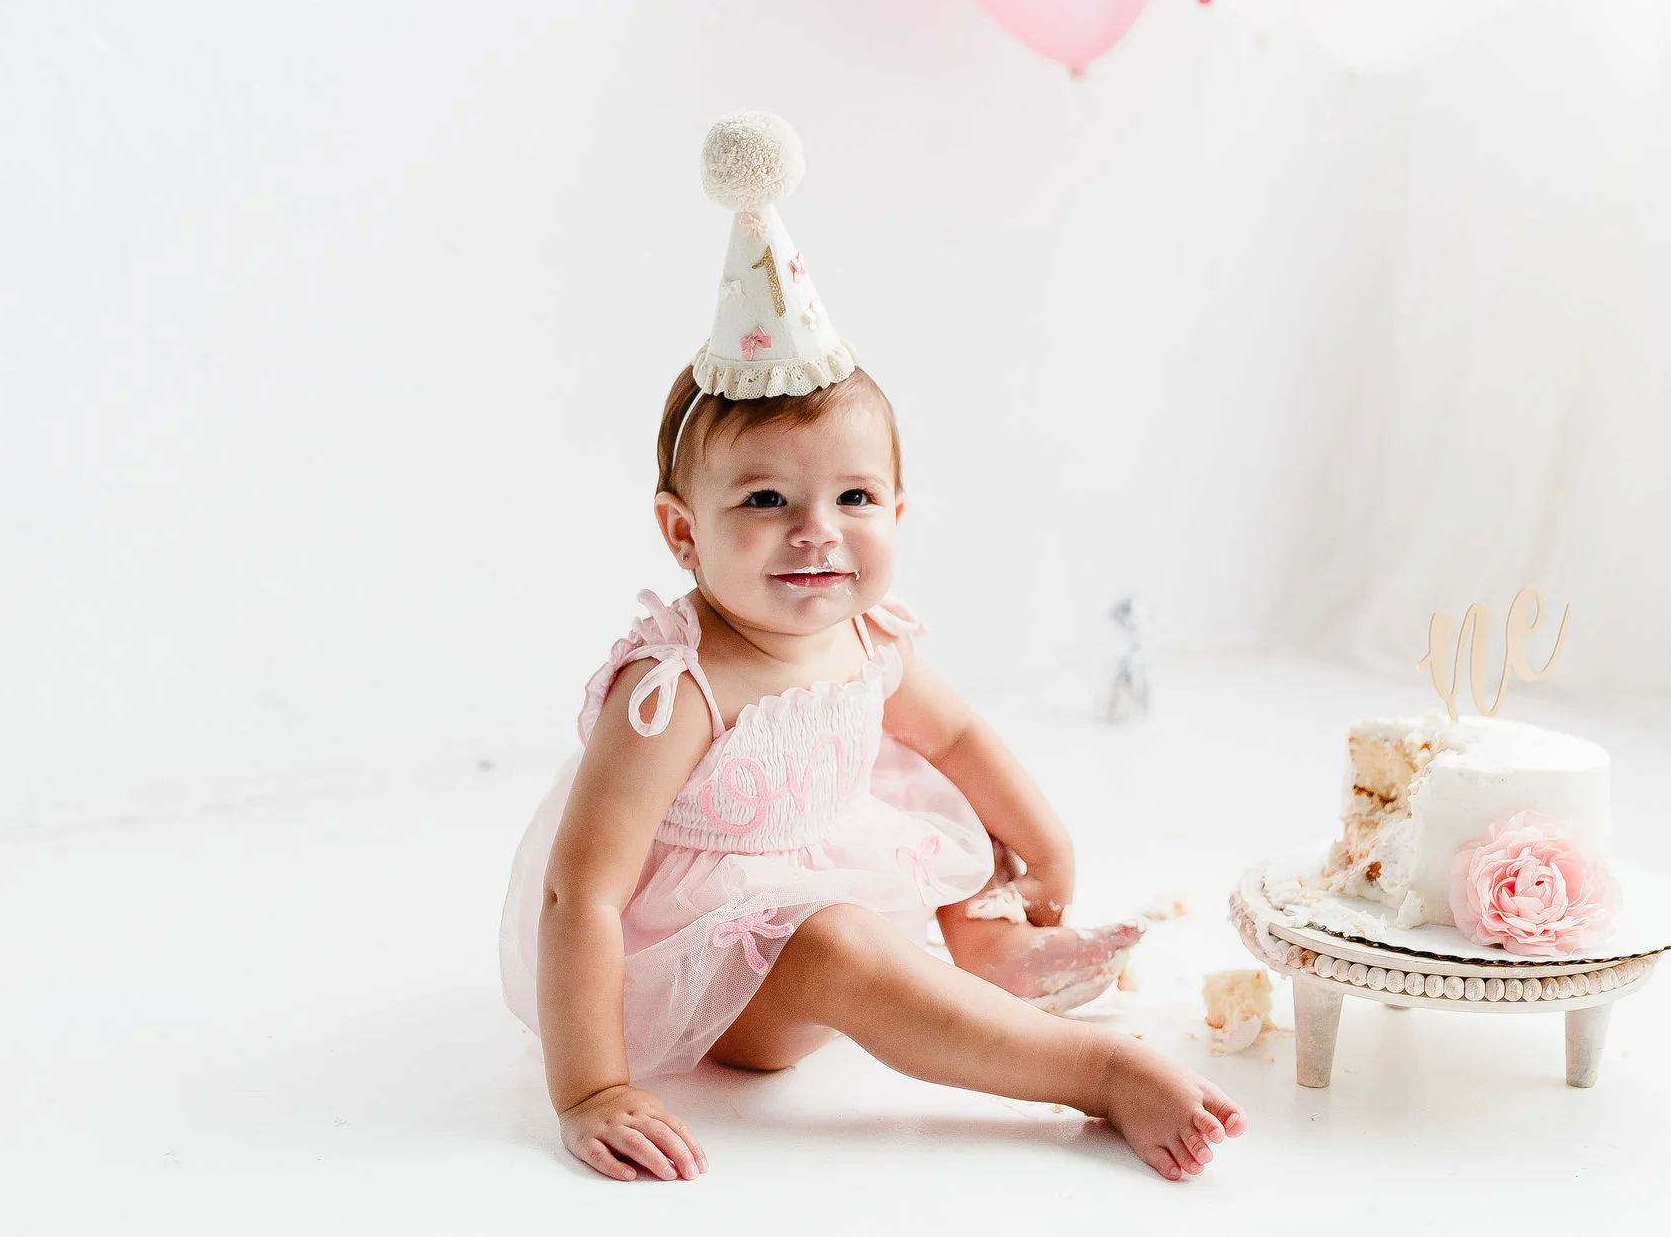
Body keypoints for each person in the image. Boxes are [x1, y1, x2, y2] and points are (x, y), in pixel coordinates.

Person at [498, 112, 1244, 1184]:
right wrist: (590, 1087)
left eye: (854, 497)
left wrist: (1045, 848)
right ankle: (1093, 1069)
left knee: (939, 805)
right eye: (765, 500)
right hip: (710, 961)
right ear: (681, 532)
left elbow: (958, 735)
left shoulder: (866, 631)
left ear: (898, 508)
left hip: (820, 853)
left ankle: (984, 946)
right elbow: (583, 894)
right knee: (843, 944)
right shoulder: (677, 688)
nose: (818, 531)